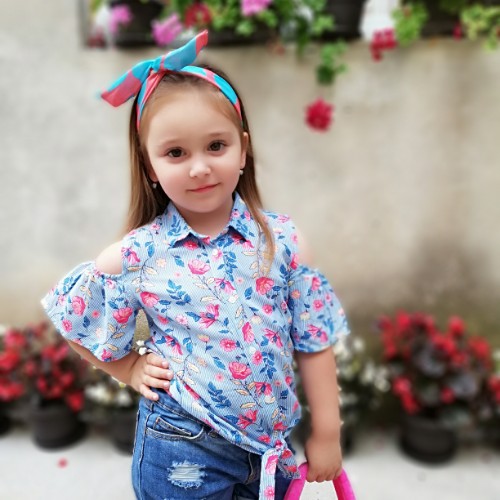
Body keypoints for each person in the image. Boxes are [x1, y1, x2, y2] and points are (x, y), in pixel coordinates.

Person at [41, 30, 350, 500]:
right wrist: (128, 368)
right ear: (150, 167)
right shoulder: (138, 254)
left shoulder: (283, 241)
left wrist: (327, 433)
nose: (199, 167)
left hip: (270, 452)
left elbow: (314, 341)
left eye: (216, 146)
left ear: (243, 149)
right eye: (176, 153)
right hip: (182, 450)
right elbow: (75, 317)